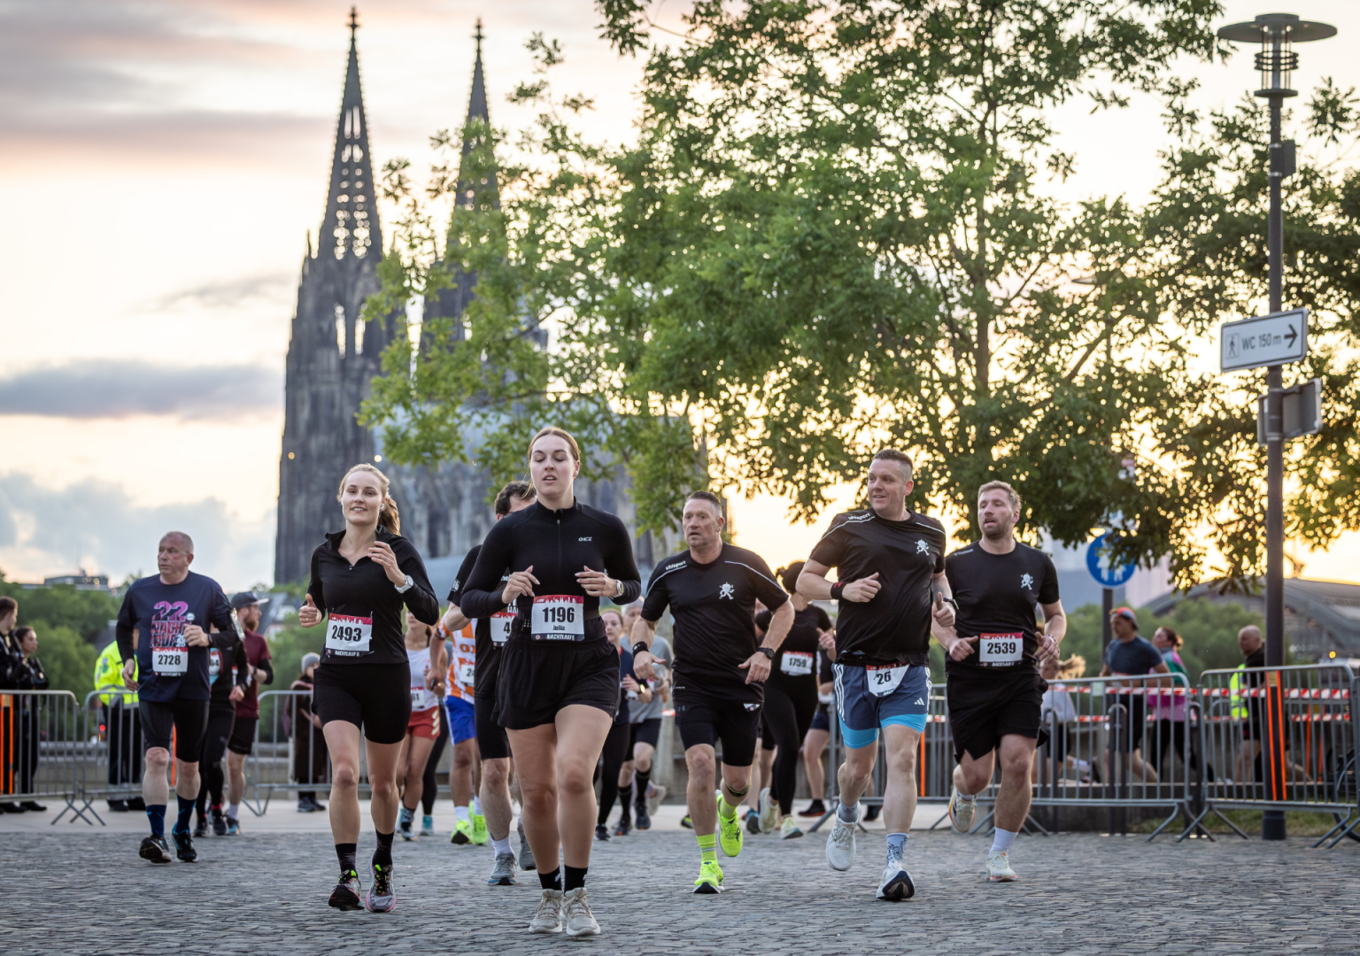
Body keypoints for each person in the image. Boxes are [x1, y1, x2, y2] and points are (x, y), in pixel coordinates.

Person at [459, 426, 641, 937]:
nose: (549, 466)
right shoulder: (509, 533)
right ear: (531, 467)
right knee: (537, 792)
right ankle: (549, 892)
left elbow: (633, 585)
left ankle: (579, 895)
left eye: (559, 457)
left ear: (574, 467)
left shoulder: (605, 527)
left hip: (588, 663)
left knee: (575, 775)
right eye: (539, 458)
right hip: (527, 664)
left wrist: (611, 586)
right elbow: (469, 600)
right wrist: (502, 592)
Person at [796, 448, 956, 902]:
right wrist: (842, 589)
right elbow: (805, 582)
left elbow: (939, 579)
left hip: (909, 665)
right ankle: (846, 815)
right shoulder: (847, 526)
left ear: (908, 486)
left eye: (887, 479)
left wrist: (948, 603)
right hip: (855, 665)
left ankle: (894, 861)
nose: (876, 486)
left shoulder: (931, 530)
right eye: (871, 479)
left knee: (903, 760)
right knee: (858, 769)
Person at [633, 491, 793, 894]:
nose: (692, 524)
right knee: (701, 764)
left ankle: (728, 809)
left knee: (737, 781)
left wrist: (765, 652)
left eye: (702, 517)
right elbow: (646, 621)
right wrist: (640, 652)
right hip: (692, 683)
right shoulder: (669, 571)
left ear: (719, 524)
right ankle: (708, 863)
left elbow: (785, 608)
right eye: (687, 516)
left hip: (741, 682)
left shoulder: (746, 563)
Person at [297, 463, 440, 913]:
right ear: (341, 498)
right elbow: (318, 600)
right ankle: (347, 875)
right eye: (352, 491)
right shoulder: (324, 553)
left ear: (381, 502)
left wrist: (400, 578)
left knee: (382, 783)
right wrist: (313, 615)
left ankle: (382, 864)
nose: (359, 498)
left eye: (369, 492)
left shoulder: (397, 549)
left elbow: (432, 610)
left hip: (385, 674)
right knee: (343, 772)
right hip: (337, 673)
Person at [940, 481, 1066, 882]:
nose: (987, 510)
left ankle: (999, 854)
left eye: (997, 504)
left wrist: (1053, 638)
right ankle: (962, 791)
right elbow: (933, 615)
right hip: (970, 678)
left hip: (1019, 677)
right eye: (981, 505)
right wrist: (950, 640)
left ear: (1015, 513)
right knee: (977, 776)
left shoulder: (1038, 562)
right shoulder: (955, 564)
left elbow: (1057, 615)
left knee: (1017, 763)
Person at [114, 531, 243, 864]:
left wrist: (206, 637)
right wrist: (128, 658)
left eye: (171, 551)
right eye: (160, 550)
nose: (163, 556)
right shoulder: (140, 590)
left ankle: (182, 828)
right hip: (153, 687)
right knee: (156, 757)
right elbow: (123, 627)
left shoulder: (207, 589)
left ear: (188, 558)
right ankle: (157, 835)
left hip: (193, 689)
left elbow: (232, 635)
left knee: (188, 766)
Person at [442, 479, 538, 884]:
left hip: (536, 680)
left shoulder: (550, 555)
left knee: (533, 775)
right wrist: (499, 596)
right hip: (491, 679)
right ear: (500, 520)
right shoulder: (480, 558)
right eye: (518, 517)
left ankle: (531, 831)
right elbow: (450, 621)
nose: (528, 526)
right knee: (496, 771)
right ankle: (503, 854)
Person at [754, 562, 833, 840]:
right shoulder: (772, 614)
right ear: (800, 582)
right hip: (775, 687)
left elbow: (832, 649)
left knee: (791, 750)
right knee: (787, 743)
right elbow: (751, 642)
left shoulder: (819, 615)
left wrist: (831, 644)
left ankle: (772, 800)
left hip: (805, 691)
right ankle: (786, 818)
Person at [1098, 607, 1169, 784]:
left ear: (1130, 623)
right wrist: (1104, 681)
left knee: (1116, 756)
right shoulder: (1113, 646)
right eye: (1113, 624)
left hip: (1135, 708)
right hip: (1115, 707)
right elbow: (1105, 673)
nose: (1115, 627)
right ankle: (1156, 787)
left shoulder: (1145, 648)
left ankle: (1113, 799)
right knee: (1126, 759)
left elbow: (1167, 679)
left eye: (1118, 623)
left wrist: (1138, 683)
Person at [595, 608, 648, 839]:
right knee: (591, 772)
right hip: (591, 723)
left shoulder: (629, 659)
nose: (609, 627)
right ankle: (582, 817)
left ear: (622, 628)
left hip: (619, 722)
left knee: (612, 774)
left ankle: (601, 824)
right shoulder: (590, 655)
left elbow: (647, 694)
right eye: (604, 623)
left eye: (614, 623)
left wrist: (639, 688)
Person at [193, 621, 250, 836]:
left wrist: (240, 686)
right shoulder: (193, 633)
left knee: (212, 761)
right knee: (196, 764)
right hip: (196, 705)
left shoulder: (231, 638)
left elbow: (244, 667)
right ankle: (200, 817)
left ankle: (216, 809)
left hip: (222, 707)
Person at [224, 592, 273, 835]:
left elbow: (269, 676)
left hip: (246, 711)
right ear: (243, 611)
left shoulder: (258, 642)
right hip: (217, 710)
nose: (259, 613)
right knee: (209, 763)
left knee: (234, 764)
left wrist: (251, 671)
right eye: (255, 608)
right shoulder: (222, 638)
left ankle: (232, 814)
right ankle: (210, 810)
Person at [397, 612, 445, 840]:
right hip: (400, 714)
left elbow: (444, 689)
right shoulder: (396, 642)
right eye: (408, 611)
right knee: (397, 773)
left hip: (427, 713)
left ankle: (407, 819)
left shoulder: (436, 649)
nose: (412, 615)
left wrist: (434, 683)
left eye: (417, 612)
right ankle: (397, 807)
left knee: (415, 770)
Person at [625, 618, 670, 832]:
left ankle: (641, 804)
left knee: (641, 758)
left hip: (650, 713)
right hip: (622, 715)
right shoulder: (617, 645)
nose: (635, 618)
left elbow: (669, 672)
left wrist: (666, 684)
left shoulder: (661, 644)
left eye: (639, 613)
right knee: (624, 768)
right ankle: (628, 812)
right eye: (631, 613)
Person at [93, 638, 142, 812]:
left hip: (137, 710)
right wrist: (117, 701)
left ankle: (134, 795)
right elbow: (102, 683)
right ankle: (115, 796)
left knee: (136, 753)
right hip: (117, 711)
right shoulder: (111, 653)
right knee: (118, 752)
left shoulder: (143, 649)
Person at [797, 629, 837, 819]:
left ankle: (870, 801)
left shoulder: (837, 645)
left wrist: (832, 685)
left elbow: (850, 670)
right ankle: (817, 801)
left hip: (841, 706)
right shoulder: (811, 650)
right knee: (809, 751)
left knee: (855, 756)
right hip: (823, 708)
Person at [1148, 626, 1196, 780]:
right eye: (1156, 636)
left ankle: (1215, 781)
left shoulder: (1169, 658)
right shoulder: (1159, 658)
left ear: (1169, 641)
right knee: (1157, 755)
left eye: (1160, 636)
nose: (1156, 639)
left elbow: (1181, 681)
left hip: (1176, 713)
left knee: (1185, 755)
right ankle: (1157, 793)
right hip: (1162, 713)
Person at [13, 626, 50, 809]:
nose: (35, 643)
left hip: (32, 713)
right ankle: (9, 796)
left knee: (32, 756)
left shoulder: (33, 663)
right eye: (30, 639)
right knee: (16, 756)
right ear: (20, 642)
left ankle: (27, 796)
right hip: (18, 714)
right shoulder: (16, 663)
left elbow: (42, 685)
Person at [290, 653, 328, 812]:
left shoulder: (322, 684)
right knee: (304, 765)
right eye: (312, 666)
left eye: (318, 665)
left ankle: (312, 797)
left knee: (316, 765)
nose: (315, 669)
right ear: (305, 669)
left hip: (319, 734)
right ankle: (303, 798)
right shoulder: (299, 686)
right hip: (304, 734)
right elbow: (295, 709)